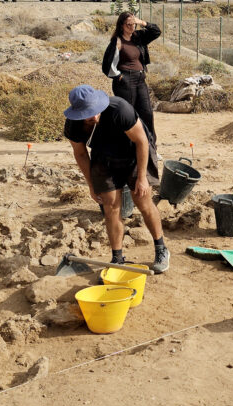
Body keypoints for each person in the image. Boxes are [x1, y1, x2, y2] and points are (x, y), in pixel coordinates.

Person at [63, 85, 170, 273]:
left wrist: (142, 178)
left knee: (142, 200)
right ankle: (117, 259)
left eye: (96, 111)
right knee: (110, 206)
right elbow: (80, 154)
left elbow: (142, 141)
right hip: (104, 158)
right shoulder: (73, 125)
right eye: (88, 114)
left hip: (134, 154)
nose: (94, 117)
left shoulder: (119, 109)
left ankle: (161, 248)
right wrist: (91, 185)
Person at [102, 12, 161, 143]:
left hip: (140, 79)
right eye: (128, 24)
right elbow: (107, 64)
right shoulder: (117, 41)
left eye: (133, 24)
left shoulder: (138, 37)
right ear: (121, 25)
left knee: (147, 113)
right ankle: (128, 146)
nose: (132, 27)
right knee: (128, 114)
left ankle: (150, 145)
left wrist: (142, 23)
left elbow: (156, 31)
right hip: (125, 81)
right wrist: (119, 76)